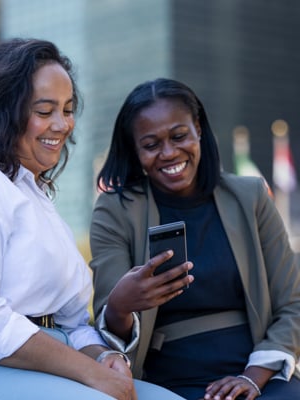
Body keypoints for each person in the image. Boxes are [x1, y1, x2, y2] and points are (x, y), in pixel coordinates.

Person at [0, 40, 183, 400]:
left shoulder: (32, 196)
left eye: (67, 109)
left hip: (36, 360)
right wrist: (90, 375)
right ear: (3, 112)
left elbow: (71, 322)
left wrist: (104, 356)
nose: (62, 124)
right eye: (45, 110)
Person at [89, 77, 300, 400]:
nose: (169, 153)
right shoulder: (116, 209)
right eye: (151, 144)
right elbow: (109, 325)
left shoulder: (251, 196)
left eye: (179, 136)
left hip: (257, 370)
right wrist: (120, 305)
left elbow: (292, 303)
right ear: (135, 149)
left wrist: (253, 378)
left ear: (198, 128)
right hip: (165, 379)